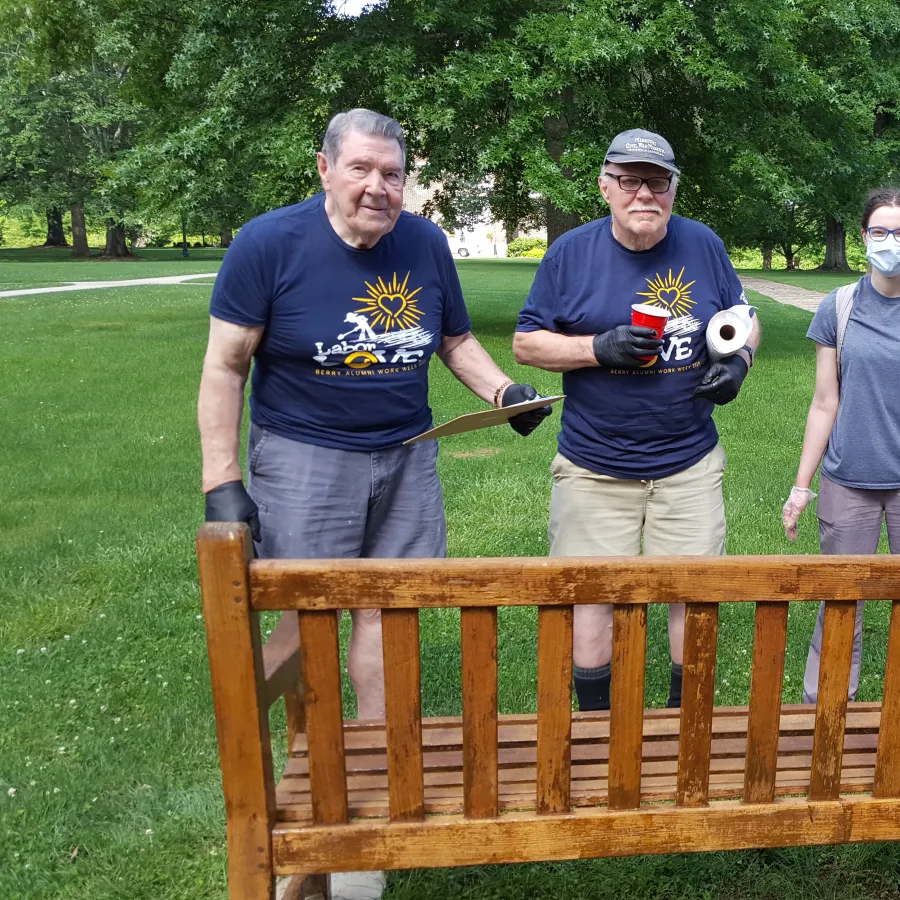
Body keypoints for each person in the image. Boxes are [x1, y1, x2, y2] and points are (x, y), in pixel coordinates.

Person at [514, 128, 761, 711]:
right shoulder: (570, 252)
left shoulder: (704, 245)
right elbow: (527, 344)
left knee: (691, 597)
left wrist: (739, 363)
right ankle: (599, 730)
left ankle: (684, 729)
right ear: (606, 186)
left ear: (674, 188)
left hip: (688, 462)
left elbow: (742, 317)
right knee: (592, 597)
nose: (643, 194)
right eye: (630, 180)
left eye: (657, 181)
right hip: (595, 464)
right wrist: (598, 349)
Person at [782, 187, 900, 704]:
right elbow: (824, 403)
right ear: (863, 238)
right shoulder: (841, 306)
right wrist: (800, 487)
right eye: (880, 231)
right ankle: (822, 719)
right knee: (840, 605)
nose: (890, 242)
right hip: (848, 481)